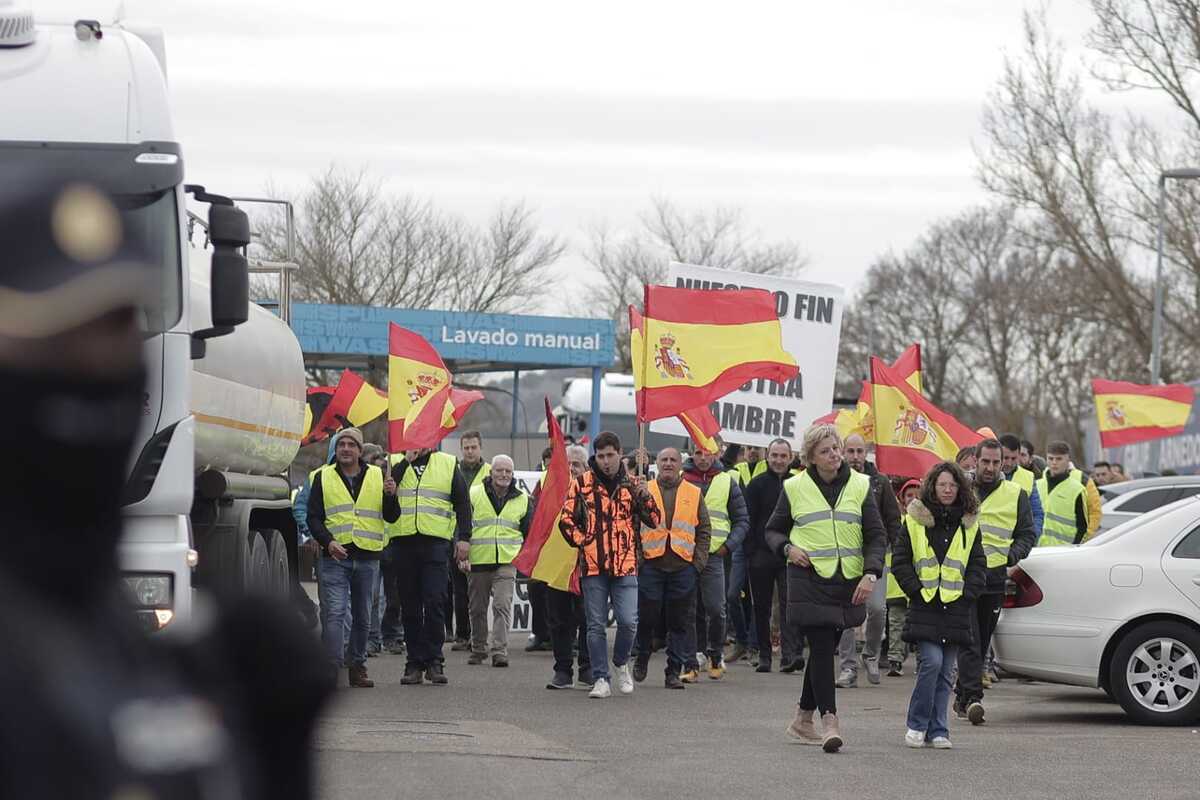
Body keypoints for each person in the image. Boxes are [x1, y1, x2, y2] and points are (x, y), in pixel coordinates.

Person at [0, 174, 331, 796]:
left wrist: (277, 760)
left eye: (118, 329)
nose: (95, 366)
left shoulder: (144, 655)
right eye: (56, 339)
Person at [766, 424, 886, 753]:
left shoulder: (861, 486)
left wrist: (871, 573)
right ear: (811, 459)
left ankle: (802, 719)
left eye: (836, 447)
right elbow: (773, 531)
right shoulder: (794, 487)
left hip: (848, 581)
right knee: (820, 647)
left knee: (825, 648)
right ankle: (829, 720)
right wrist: (788, 548)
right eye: (825, 451)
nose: (834, 454)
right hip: (808, 579)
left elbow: (877, 536)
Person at [892, 461, 987, 749]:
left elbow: (977, 564)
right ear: (932, 486)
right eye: (942, 484)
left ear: (961, 488)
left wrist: (968, 593)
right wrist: (916, 591)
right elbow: (901, 561)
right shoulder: (914, 521)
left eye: (953, 484)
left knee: (947, 671)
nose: (947, 489)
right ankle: (917, 725)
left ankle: (939, 729)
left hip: (957, 606)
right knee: (931, 664)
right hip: (926, 605)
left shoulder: (969, 524)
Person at [560, 432, 659, 699]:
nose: (605, 461)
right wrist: (585, 541)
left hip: (626, 564)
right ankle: (601, 678)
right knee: (595, 625)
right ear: (596, 456)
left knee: (629, 623)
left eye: (610, 455)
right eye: (601, 456)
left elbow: (654, 520)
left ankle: (619, 662)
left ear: (619, 454)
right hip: (593, 567)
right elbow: (566, 520)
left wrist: (646, 497)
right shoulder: (581, 483)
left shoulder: (633, 483)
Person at [952, 438, 1037, 725]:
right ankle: (975, 698)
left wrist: (1012, 555)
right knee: (970, 640)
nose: (990, 467)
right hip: (961, 577)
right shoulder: (959, 489)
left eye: (995, 462)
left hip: (994, 579)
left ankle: (963, 695)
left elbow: (1027, 533)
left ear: (1004, 463)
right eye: (985, 461)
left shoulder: (1016, 493)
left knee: (983, 638)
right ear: (975, 460)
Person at [307, 428, 400, 688]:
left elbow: (391, 516)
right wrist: (328, 541)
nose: (345, 449)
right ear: (336, 450)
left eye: (351, 445)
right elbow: (313, 516)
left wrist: (391, 496)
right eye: (341, 445)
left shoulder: (378, 476)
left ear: (360, 451)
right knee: (334, 613)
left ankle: (358, 665)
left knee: (363, 616)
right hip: (334, 557)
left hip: (368, 557)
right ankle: (332, 667)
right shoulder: (323, 477)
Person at [386, 445, 473, 686]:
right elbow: (385, 500)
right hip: (403, 543)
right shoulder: (393, 462)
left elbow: (463, 503)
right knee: (410, 605)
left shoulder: (446, 462)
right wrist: (405, 461)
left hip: (435, 543)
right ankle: (414, 662)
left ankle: (435, 660)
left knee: (435, 601)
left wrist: (464, 538)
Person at [631, 448, 711, 689]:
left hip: (683, 567)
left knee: (679, 622)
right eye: (663, 459)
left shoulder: (694, 493)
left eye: (672, 460)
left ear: (680, 464)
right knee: (647, 617)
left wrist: (697, 564)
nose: (668, 463)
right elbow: (633, 525)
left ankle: (673, 671)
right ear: (656, 463)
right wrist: (638, 559)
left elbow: (704, 529)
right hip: (651, 564)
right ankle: (642, 655)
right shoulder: (645, 489)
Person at [836, 433, 902, 688]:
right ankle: (848, 667)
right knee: (845, 613)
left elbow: (893, 518)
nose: (854, 457)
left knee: (876, 609)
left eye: (859, 451)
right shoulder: (837, 481)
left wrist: (897, 551)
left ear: (867, 453)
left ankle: (871, 653)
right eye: (850, 451)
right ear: (843, 452)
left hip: (875, 556)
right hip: (844, 557)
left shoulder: (880, 482)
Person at [682, 444, 749, 681]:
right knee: (689, 610)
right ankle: (693, 657)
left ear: (717, 453)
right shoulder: (682, 479)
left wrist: (728, 546)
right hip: (686, 555)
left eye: (706, 453)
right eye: (698, 453)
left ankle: (715, 652)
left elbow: (742, 520)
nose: (702, 458)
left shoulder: (727, 481)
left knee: (715, 608)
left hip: (714, 555)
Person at [465, 454, 532, 668]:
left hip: (506, 561)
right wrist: (461, 551)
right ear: (491, 472)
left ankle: (499, 651)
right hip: (479, 559)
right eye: (499, 470)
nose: (504, 475)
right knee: (477, 607)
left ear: (513, 475)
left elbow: (528, 531)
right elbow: (463, 524)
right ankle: (478, 648)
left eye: (508, 471)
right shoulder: (474, 494)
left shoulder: (522, 499)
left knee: (502, 606)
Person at [744, 438, 802, 674]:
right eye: (774, 455)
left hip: (790, 554)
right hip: (761, 556)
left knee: (790, 606)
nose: (778, 460)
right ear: (768, 456)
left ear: (790, 458)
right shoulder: (756, 485)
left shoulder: (798, 483)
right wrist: (750, 553)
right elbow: (748, 520)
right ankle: (765, 656)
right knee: (762, 608)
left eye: (783, 456)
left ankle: (790, 655)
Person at [546, 445, 594, 690]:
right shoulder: (551, 492)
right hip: (557, 564)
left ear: (586, 468)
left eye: (577, 464)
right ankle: (562, 670)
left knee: (587, 618)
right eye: (568, 464)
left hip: (586, 564)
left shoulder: (594, 492)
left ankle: (587, 670)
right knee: (559, 620)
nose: (572, 469)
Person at [447, 431, 488, 651]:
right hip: (454, 536)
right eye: (466, 447)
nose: (470, 451)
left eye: (474, 447)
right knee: (460, 590)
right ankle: (462, 635)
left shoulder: (490, 472)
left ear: (481, 447)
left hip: (482, 539)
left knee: (479, 591)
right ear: (461, 449)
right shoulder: (453, 471)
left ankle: (479, 635)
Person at [886, 478, 922, 676]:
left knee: (918, 624)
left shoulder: (927, 524)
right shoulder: (896, 524)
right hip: (896, 584)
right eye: (909, 496)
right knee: (896, 623)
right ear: (901, 500)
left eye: (917, 496)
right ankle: (895, 659)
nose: (913, 500)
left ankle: (920, 660)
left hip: (919, 584)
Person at [1035, 441, 1092, 547]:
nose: (1054, 462)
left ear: (1068, 461)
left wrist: (1073, 549)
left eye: (1059, 459)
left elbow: (1083, 527)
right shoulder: (1037, 486)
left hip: (1063, 552)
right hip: (1037, 550)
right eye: (1050, 458)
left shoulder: (1077, 489)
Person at [999, 433, 1044, 536]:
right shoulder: (988, 475)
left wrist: (1032, 537)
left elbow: (1037, 513)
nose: (1009, 463)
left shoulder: (1028, 477)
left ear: (1019, 455)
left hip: (1020, 542)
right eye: (1005, 458)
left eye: (1013, 458)